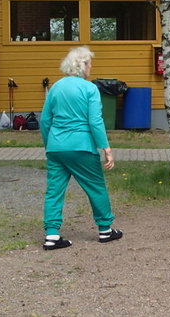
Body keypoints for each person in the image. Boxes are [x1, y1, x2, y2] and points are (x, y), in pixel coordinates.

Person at [40, 46, 123, 250]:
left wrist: (49, 144)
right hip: (82, 146)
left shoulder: (56, 88)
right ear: (82, 65)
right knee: (95, 187)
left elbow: (45, 120)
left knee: (54, 191)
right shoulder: (89, 88)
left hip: (56, 147)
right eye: (89, 64)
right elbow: (95, 121)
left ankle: (52, 235)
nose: (91, 68)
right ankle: (105, 230)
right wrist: (106, 148)